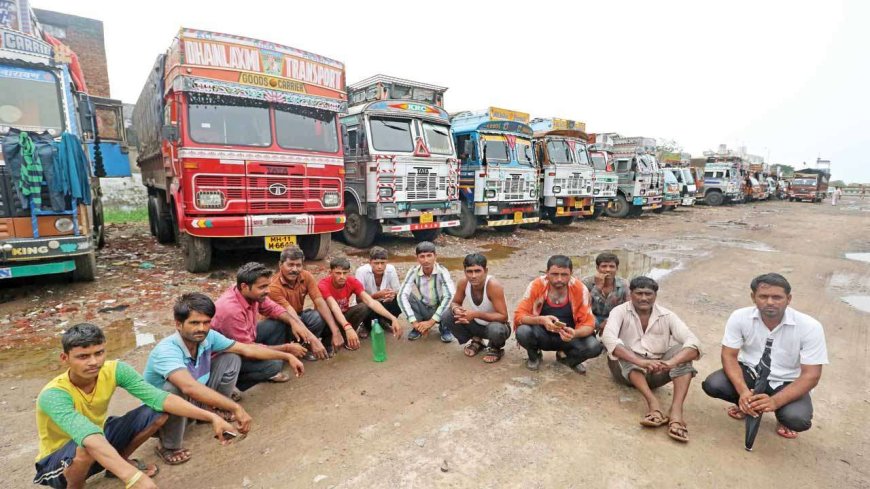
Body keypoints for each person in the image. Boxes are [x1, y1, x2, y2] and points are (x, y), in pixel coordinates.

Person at [33, 323, 235, 489]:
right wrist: (134, 479)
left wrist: (212, 417)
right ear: (65, 358)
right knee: (85, 446)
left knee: (158, 411)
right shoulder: (54, 394)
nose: (94, 362)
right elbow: (87, 435)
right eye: (83, 357)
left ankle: (116, 465)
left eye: (99, 353)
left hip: (98, 440)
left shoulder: (115, 370)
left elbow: (160, 397)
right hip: (58, 461)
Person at [143, 293, 304, 465]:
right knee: (173, 388)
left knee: (231, 357)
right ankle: (168, 445)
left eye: (206, 322)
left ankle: (212, 409)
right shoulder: (167, 350)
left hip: (193, 398)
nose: (202, 328)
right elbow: (189, 387)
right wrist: (235, 408)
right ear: (178, 324)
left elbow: (247, 349)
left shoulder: (209, 337)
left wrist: (286, 355)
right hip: (162, 412)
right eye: (194, 323)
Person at [702, 273, 828, 441]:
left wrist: (775, 401)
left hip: (788, 381)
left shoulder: (810, 327)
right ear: (753, 297)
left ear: (788, 299)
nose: (770, 302)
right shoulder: (740, 317)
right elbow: (729, 355)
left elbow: (811, 375)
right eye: (763, 296)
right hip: (751, 373)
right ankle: (746, 404)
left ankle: (781, 415)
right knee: (714, 385)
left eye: (777, 297)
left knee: (797, 419)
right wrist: (743, 392)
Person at [601, 276, 701, 443]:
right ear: (631, 294)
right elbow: (608, 338)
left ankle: (676, 412)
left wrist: (671, 363)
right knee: (622, 348)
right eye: (639, 293)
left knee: (684, 352)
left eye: (648, 294)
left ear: (655, 295)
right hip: (624, 372)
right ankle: (653, 404)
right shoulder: (619, 311)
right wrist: (640, 361)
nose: (643, 298)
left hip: (657, 371)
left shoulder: (667, 315)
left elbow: (694, 342)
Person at [212, 262, 322, 391]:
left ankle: (270, 362)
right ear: (245, 286)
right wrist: (286, 350)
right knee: (274, 365)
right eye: (263, 287)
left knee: (279, 323)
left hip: (246, 338)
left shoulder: (247, 292)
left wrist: (294, 322)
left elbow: (273, 308)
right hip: (226, 356)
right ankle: (231, 387)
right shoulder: (231, 310)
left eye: (268, 286)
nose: (268, 291)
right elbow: (247, 350)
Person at [514, 255, 603, 374]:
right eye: (554, 274)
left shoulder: (580, 289)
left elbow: (589, 324)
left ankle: (568, 359)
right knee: (522, 331)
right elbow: (519, 316)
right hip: (542, 334)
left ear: (571, 273)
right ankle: (534, 355)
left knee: (594, 346)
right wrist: (541, 320)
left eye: (564, 275)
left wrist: (574, 333)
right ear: (547, 273)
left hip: (568, 336)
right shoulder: (536, 285)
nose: (559, 279)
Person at [268, 245, 342, 357]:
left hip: (298, 315)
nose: (294, 269)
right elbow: (290, 314)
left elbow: (319, 302)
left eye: (298, 265)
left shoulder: (306, 276)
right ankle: (299, 347)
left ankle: (305, 347)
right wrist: (313, 339)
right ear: (280, 265)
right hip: (282, 321)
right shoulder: (274, 287)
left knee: (318, 316)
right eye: (290, 265)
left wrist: (335, 331)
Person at [319, 257, 403, 350]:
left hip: (343, 316)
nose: (342, 276)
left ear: (349, 272)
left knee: (364, 306)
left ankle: (347, 338)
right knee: (317, 318)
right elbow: (334, 306)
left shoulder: (352, 281)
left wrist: (392, 318)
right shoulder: (323, 284)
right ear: (330, 273)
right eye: (338, 273)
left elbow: (370, 301)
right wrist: (347, 327)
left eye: (345, 273)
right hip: (328, 320)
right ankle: (328, 340)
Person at [441, 253, 510, 363]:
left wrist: (476, 314)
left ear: (486, 271)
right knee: (447, 315)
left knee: (496, 329)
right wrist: (456, 310)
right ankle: (477, 340)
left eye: (477, 271)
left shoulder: (493, 285)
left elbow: (503, 317)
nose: (473, 276)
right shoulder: (463, 282)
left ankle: (496, 347)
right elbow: (455, 302)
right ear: (465, 272)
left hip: (497, 326)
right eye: (469, 271)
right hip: (477, 325)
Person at [398, 241, 456, 343]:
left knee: (451, 299)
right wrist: (414, 322)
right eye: (422, 256)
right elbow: (401, 295)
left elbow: (450, 295)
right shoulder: (414, 271)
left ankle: (444, 327)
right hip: (424, 307)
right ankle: (419, 326)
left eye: (429, 256)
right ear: (417, 258)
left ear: (435, 256)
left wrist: (431, 322)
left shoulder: (442, 271)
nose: (426, 260)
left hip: (440, 309)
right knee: (404, 295)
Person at [354, 246, 402, 339]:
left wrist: (392, 295)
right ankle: (366, 325)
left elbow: (397, 291)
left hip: (384, 302)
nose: (379, 266)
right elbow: (359, 299)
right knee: (364, 306)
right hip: (368, 304)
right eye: (376, 263)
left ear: (386, 262)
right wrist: (377, 295)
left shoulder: (391, 269)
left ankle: (383, 321)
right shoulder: (361, 272)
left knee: (401, 299)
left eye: (382, 263)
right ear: (370, 262)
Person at [582, 252, 630, 332]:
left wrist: (609, 321)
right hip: (591, 317)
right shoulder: (586, 283)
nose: (608, 270)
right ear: (597, 268)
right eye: (604, 266)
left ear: (617, 268)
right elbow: (583, 306)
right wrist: (597, 287)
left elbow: (628, 307)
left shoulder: (624, 284)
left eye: (612, 266)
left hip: (615, 319)